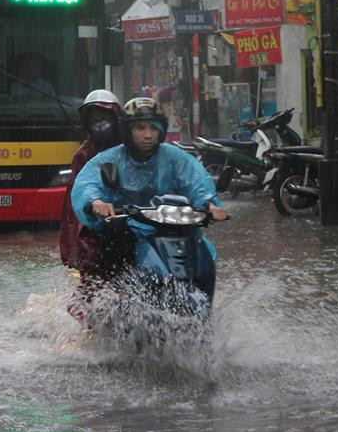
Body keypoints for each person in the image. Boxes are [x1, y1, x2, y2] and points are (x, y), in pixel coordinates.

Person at [71, 97, 228, 277]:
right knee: (109, 248)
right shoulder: (111, 158)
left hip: (171, 225)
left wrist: (211, 204)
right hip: (127, 229)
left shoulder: (174, 157)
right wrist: (96, 202)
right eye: (140, 128)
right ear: (128, 131)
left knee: (201, 257)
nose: (148, 135)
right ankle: (115, 292)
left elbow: (197, 182)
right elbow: (88, 182)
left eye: (153, 128)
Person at [59, 90, 123, 322]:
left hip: (132, 220)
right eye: (94, 120)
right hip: (96, 226)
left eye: (104, 118)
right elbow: (77, 197)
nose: (100, 125)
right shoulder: (84, 154)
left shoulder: (131, 147)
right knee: (93, 275)